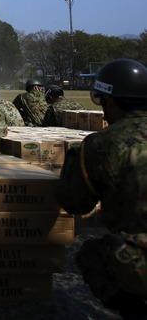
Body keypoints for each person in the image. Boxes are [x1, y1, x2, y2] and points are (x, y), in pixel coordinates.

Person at [55, 58, 147, 318]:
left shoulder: (102, 144)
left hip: (140, 262)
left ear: (112, 101)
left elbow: (75, 203)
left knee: (92, 254)